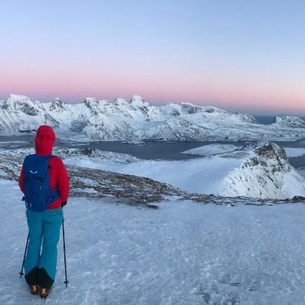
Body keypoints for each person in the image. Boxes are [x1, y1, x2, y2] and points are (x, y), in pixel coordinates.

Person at [19, 125, 69, 299]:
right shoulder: (55, 162)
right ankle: (45, 284)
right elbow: (64, 186)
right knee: (49, 245)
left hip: (33, 210)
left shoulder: (28, 160)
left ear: (36, 141)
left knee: (34, 242)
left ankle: (32, 282)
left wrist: (34, 199)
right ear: (52, 142)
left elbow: (22, 184)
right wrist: (62, 201)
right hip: (53, 211)